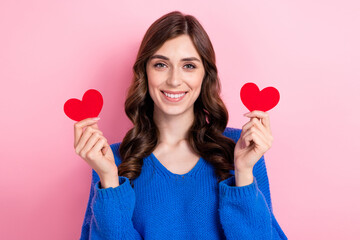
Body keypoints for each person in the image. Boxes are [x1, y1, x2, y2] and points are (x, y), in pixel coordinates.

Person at [75, 11, 288, 240]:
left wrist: (243, 173)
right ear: (144, 73)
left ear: (205, 75)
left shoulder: (243, 148)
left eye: (189, 66)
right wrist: (109, 179)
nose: (174, 80)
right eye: (160, 65)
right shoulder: (111, 159)